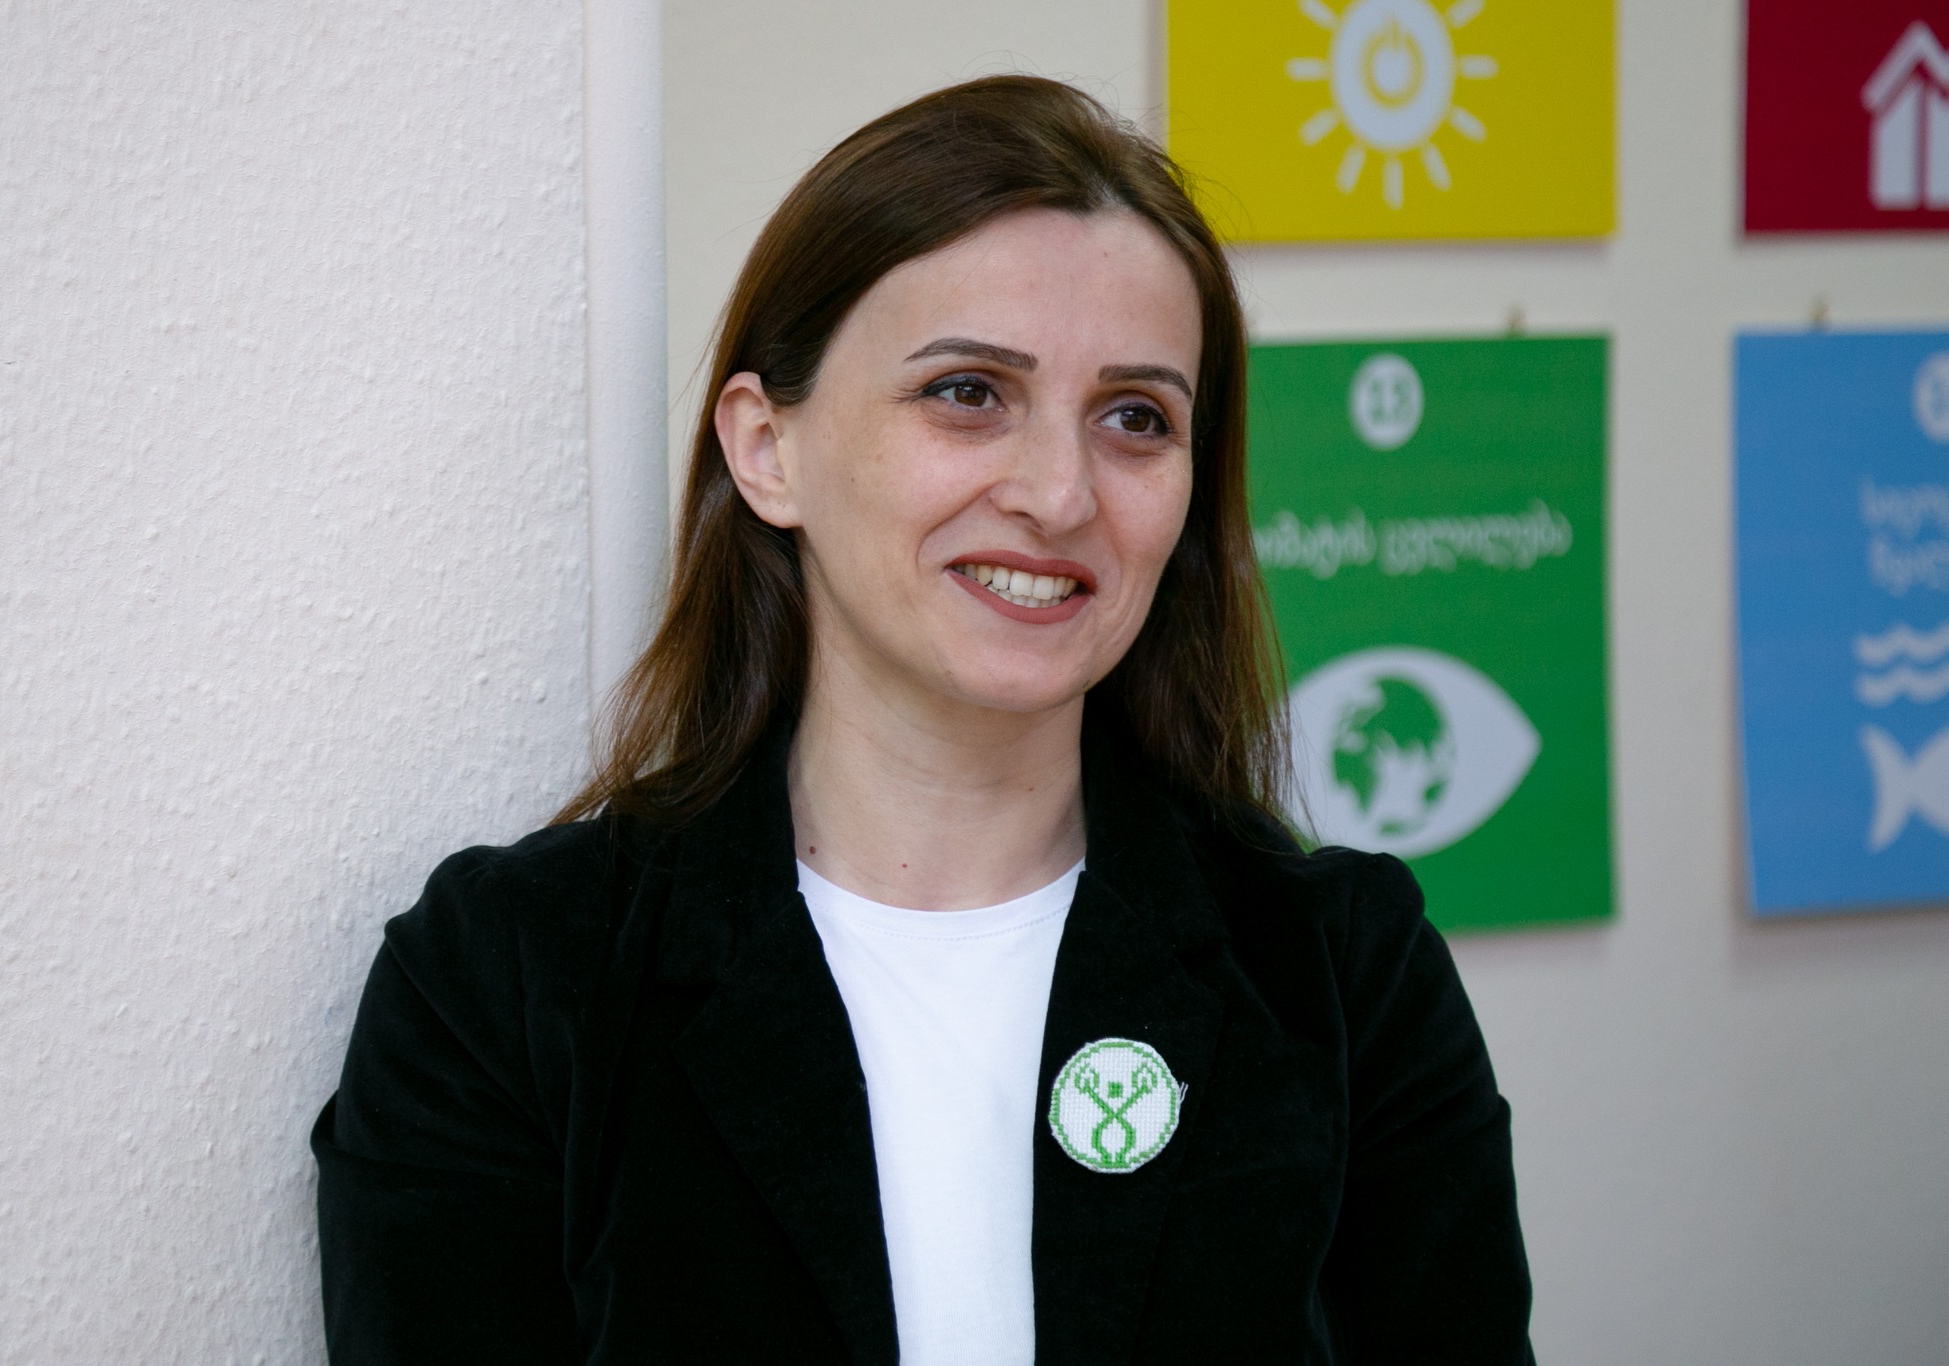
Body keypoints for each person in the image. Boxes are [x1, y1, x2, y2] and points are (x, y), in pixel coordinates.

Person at [312, 75, 1533, 1364]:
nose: (1059, 495)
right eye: (968, 392)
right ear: (766, 448)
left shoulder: (1344, 976)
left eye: (1135, 418)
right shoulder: (506, 986)